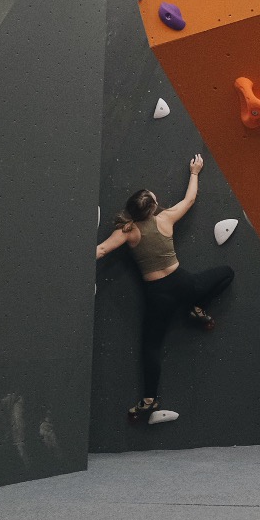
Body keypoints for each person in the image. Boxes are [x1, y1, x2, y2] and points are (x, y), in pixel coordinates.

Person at [94, 154, 234, 423]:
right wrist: (194, 172)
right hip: (183, 284)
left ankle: (149, 401)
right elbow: (189, 200)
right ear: (153, 208)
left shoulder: (128, 230)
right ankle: (197, 308)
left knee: (151, 346)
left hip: (157, 296)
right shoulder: (166, 219)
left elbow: (101, 250)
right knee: (226, 273)